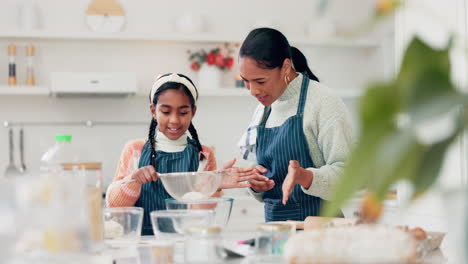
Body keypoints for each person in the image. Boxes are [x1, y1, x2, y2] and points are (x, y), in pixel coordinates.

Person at [107, 73, 254, 235]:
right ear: (153, 111)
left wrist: (213, 184)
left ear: (193, 112)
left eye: (183, 113)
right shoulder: (134, 149)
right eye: (166, 112)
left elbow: (201, 215)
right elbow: (115, 207)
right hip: (140, 242)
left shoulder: (203, 154)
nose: (175, 120)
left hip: (185, 241)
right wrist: (133, 180)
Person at [238, 28, 353, 222]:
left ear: (285, 67)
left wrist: (306, 177)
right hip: (277, 233)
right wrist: (255, 183)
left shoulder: (323, 102)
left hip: (322, 235)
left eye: (260, 81)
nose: (253, 91)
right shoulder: (262, 110)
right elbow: (258, 174)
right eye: (246, 82)